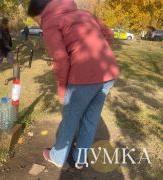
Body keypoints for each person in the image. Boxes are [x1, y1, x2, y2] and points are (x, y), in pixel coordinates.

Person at [27, 0, 120, 169]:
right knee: (91, 119)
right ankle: (80, 159)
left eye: (36, 20)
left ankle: (58, 157)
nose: (39, 24)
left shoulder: (50, 22)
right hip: (108, 72)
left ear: (41, 12)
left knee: (69, 119)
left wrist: (62, 90)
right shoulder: (85, 14)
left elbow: (61, 60)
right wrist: (101, 56)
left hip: (84, 77)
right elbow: (108, 34)